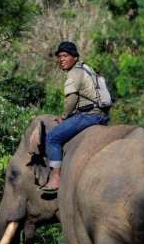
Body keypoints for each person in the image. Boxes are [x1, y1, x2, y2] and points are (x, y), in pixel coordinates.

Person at [41, 41, 110, 193]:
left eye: (65, 56)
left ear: (75, 57)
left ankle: (55, 178)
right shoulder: (87, 69)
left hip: (89, 116)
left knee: (53, 137)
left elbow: (71, 99)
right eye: (59, 57)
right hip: (102, 115)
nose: (61, 59)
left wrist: (65, 117)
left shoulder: (74, 73)